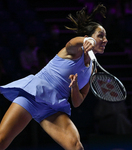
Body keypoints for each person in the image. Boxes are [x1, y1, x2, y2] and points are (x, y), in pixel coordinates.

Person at [0, 4, 108, 150]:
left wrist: (75, 87)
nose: (105, 40)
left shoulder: (92, 69)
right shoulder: (73, 51)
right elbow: (72, 42)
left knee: (76, 147)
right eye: (100, 36)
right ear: (88, 38)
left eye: (105, 36)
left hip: (53, 108)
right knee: (1, 141)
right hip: (33, 96)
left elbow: (77, 102)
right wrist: (86, 41)